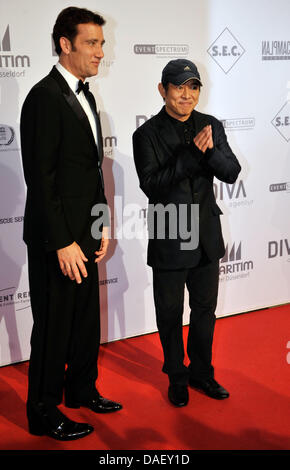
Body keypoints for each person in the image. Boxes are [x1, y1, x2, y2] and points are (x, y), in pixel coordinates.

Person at [20, 7, 122, 441]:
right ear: (66, 45)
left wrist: (99, 223)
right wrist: (62, 241)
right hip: (55, 238)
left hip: (85, 230)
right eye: (93, 43)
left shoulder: (87, 95)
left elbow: (90, 171)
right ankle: (42, 411)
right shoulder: (45, 97)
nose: (102, 51)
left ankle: (81, 390)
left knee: (84, 321)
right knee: (53, 325)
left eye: (102, 43)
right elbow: (40, 179)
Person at [133, 59, 241, 407]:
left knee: (205, 309)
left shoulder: (211, 125)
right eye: (178, 86)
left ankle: (202, 373)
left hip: (207, 233)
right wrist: (193, 153)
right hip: (169, 229)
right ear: (162, 90)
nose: (186, 94)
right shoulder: (146, 134)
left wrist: (208, 154)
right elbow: (152, 186)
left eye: (193, 86)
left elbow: (231, 171)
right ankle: (177, 377)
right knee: (169, 311)